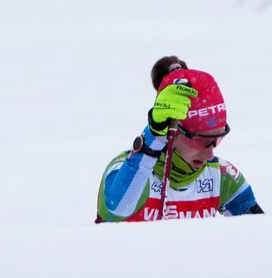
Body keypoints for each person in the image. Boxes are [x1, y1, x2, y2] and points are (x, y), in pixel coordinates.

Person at [96, 56, 263, 222]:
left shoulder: (221, 176)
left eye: (216, 140)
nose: (210, 155)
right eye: (201, 141)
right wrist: (154, 134)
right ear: (172, 133)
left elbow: (260, 236)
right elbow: (117, 209)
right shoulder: (127, 169)